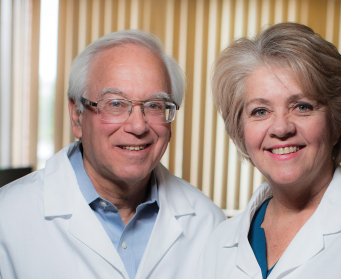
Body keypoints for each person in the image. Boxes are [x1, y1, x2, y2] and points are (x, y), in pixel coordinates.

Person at [0, 30, 226, 279]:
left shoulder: (208, 223)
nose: (138, 126)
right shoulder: (8, 217)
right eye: (116, 104)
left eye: (154, 106)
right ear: (77, 116)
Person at [200, 22, 341, 279]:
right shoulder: (220, 242)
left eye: (302, 106)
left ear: (336, 121)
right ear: (241, 130)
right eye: (260, 111)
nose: (281, 128)